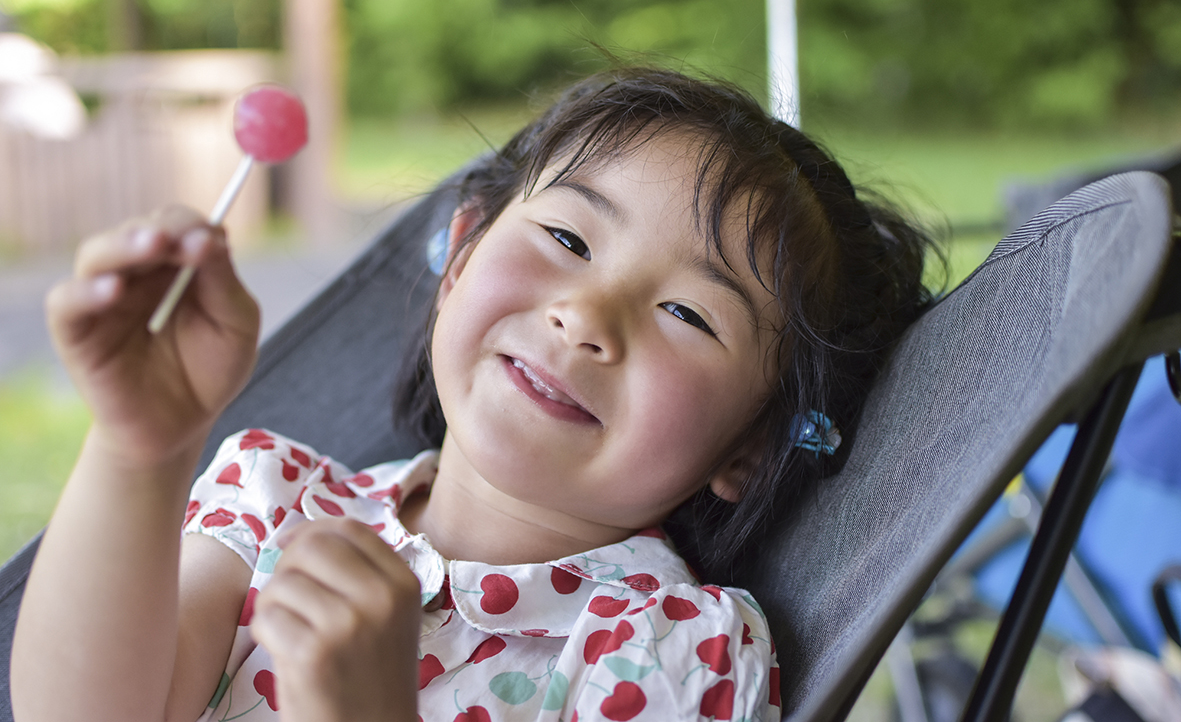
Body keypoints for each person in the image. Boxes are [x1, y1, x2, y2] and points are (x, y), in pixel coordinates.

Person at [11, 68, 938, 722]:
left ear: (752, 446)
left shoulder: (665, 653)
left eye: (688, 314)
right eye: (570, 241)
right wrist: (139, 450)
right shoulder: (274, 500)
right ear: (460, 260)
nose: (584, 317)